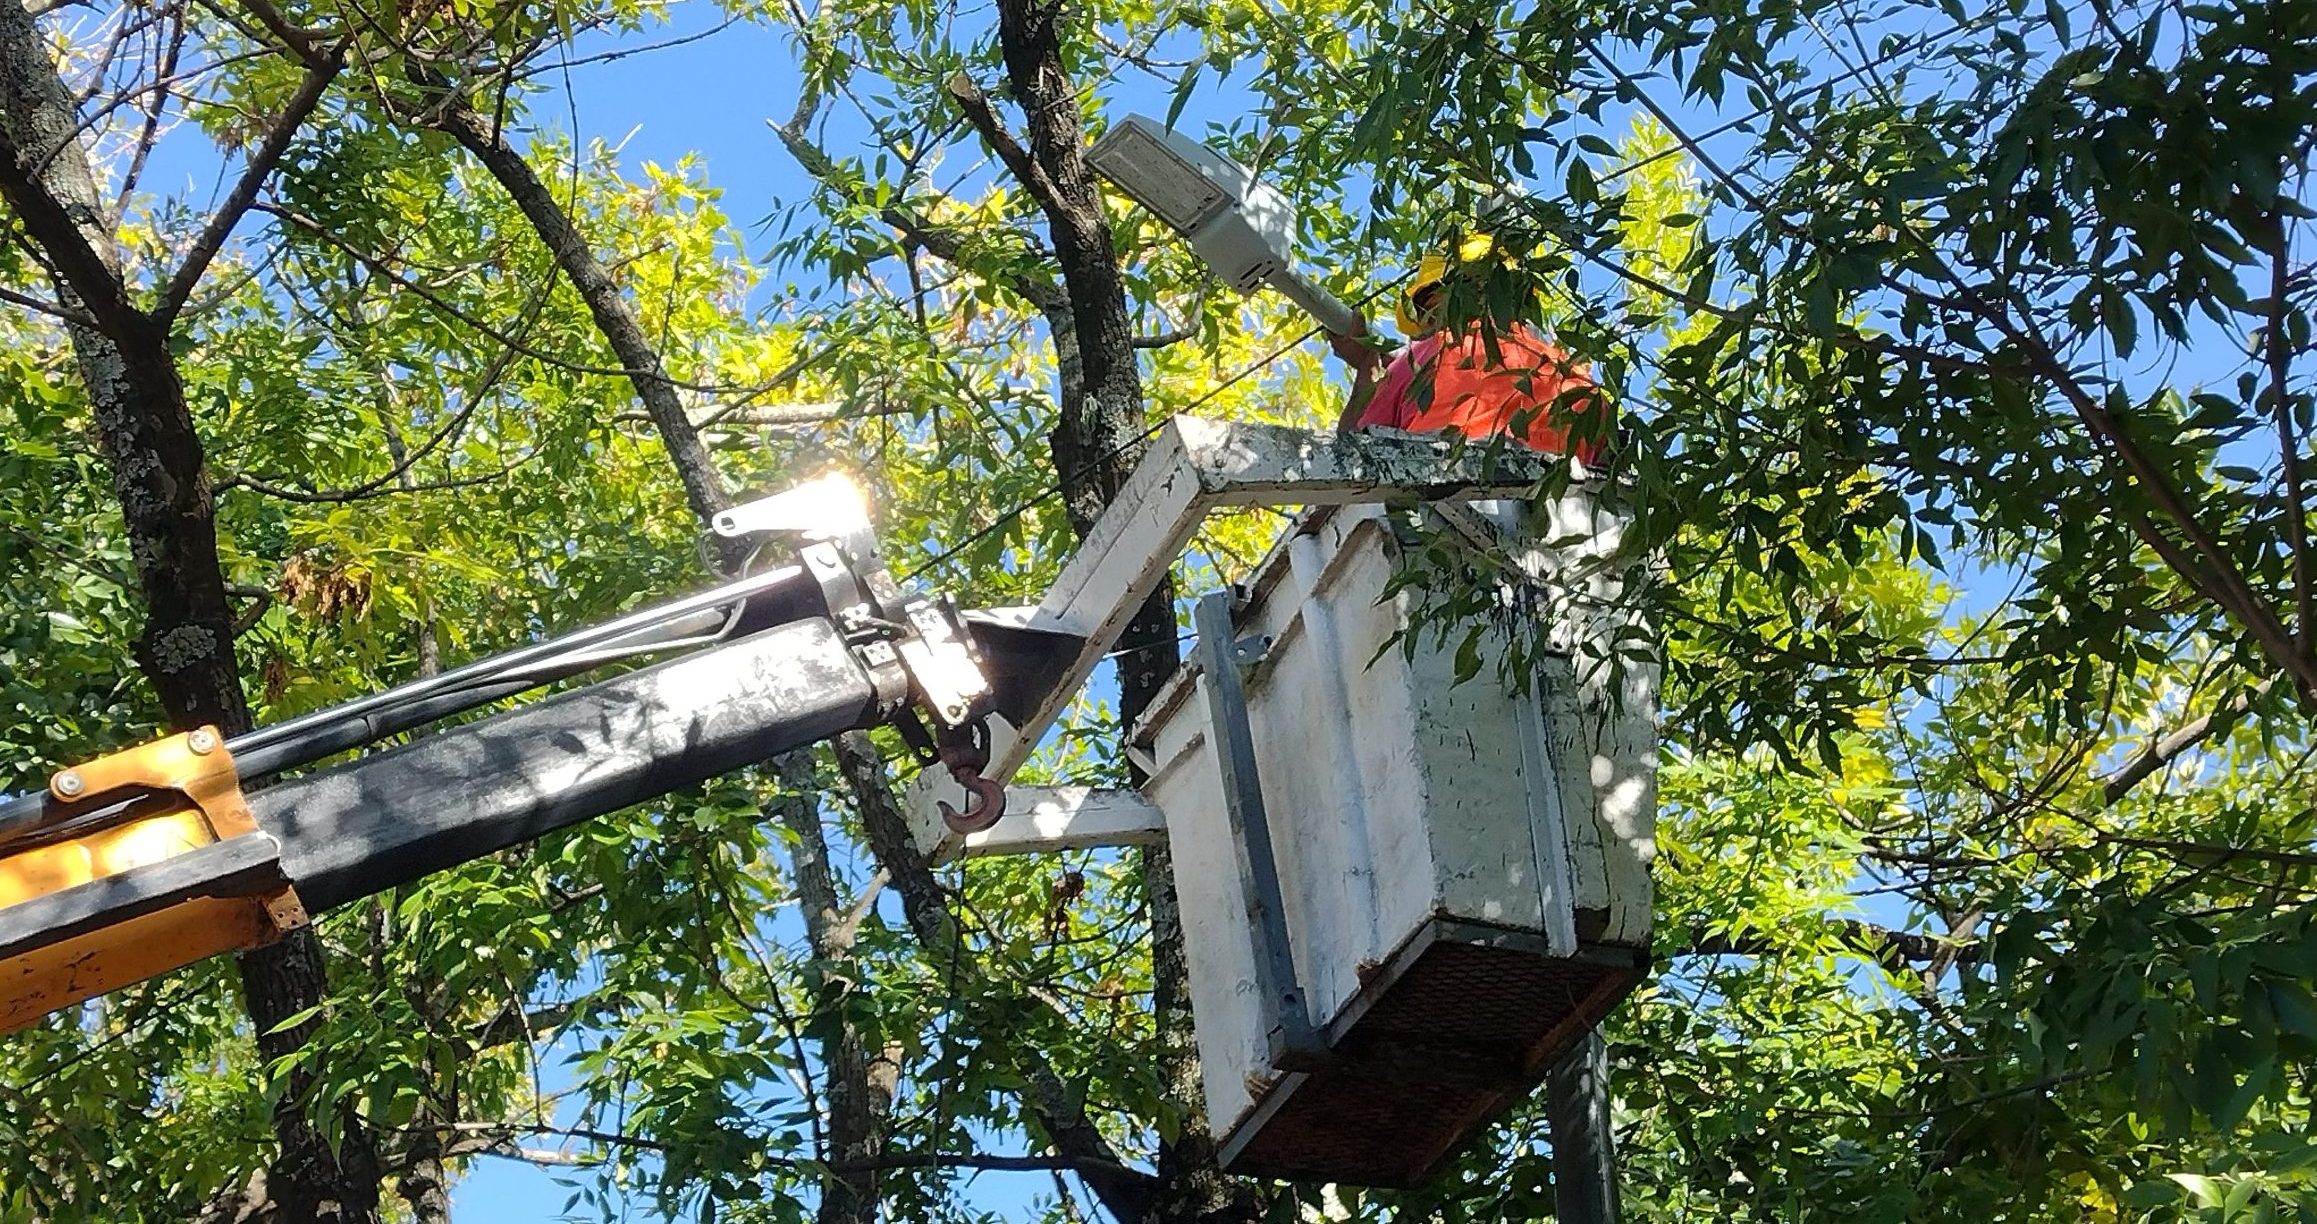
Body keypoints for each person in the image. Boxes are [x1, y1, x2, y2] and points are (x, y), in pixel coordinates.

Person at [1331, 237, 1610, 464]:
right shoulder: (1580, 382)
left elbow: (1354, 459)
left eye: (1429, 314)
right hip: (1557, 507)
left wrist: (1368, 368)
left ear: (1448, 301)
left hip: (1439, 494)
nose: (1427, 328)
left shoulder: (1431, 354)